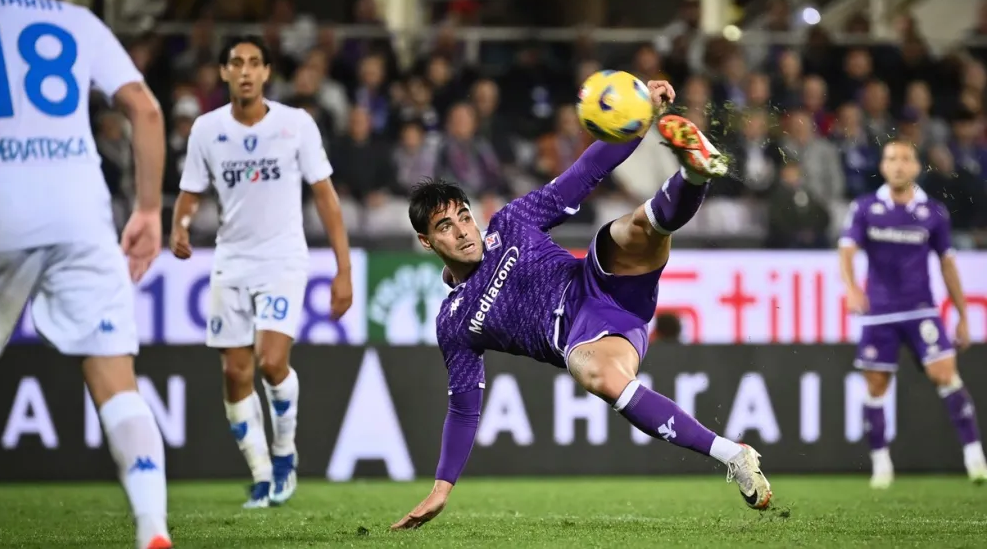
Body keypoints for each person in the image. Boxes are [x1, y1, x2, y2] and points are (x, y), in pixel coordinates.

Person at [392, 81, 773, 530]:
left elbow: (585, 173)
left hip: (599, 279)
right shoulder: (454, 321)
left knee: (631, 229)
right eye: (445, 227)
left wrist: (642, 116)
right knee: (594, 372)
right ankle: (734, 455)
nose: (462, 232)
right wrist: (441, 487)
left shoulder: (510, 223)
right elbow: (464, 407)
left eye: (464, 216)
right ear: (426, 241)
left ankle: (694, 172)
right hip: (590, 335)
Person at [0, 0, 171, 548]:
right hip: (81, 209)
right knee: (115, 379)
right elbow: (146, 111)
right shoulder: (75, 21)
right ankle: (152, 525)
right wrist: (148, 210)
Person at [170, 36, 353, 509]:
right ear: (224, 72)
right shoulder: (207, 130)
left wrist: (343, 269)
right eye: (236, 63)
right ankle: (260, 473)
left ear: (267, 72)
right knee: (235, 372)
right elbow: (190, 192)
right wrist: (180, 227)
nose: (246, 71)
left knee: (271, 362)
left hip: (282, 258)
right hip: (231, 259)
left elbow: (326, 197)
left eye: (254, 63)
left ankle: (284, 453)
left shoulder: (296, 124)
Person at [839, 140, 985, 489]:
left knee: (945, 375)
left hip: (921, 310)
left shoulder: (933, 212)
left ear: (917, 167)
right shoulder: (865, 207)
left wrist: (963, 315)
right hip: (879, 313)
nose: (898, 165)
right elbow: (846, 251)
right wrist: (852, 288)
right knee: (876, 386)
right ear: (883, 166)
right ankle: (881, 464)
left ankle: (975, 457)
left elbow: (947, 264)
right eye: (891, 158)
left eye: (905, 159)